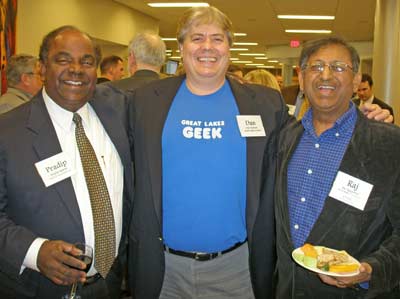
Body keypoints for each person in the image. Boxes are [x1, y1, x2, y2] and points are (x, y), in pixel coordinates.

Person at [127, 6, 289, 299]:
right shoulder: (145, 103)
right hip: (163, 270)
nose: (207, 47)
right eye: (197, 38)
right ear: (181, 47)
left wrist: (365, 123)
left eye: (217, 39)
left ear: (229, 47)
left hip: (237, 270)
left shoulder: (265, 105)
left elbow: (301, 146)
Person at [0, 25, 133, 299]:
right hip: (38, 289)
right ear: (41, 68)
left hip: (109, 285)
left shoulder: (118, 116)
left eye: (87, 62)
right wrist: (35, 251)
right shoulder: (8, 133)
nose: (76, 69)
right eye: (63, 60)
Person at [275, 37, 400, 298]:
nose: (326, 75)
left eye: (339, 67)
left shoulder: (388, 145)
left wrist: (370, 270)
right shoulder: (285, 138)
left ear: (356, 81)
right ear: (301, 79)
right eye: (316, 66)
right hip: (287, 289)